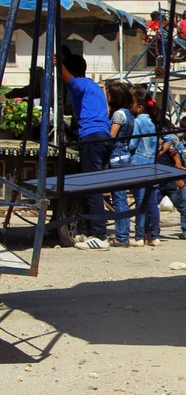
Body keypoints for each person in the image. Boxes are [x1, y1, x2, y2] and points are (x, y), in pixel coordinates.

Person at [58, 53, 112, 250]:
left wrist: (59, 66)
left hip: (92, 137)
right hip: (102, 138)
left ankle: (100, 236)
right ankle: (89, 231)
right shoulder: (93, 86)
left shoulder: (80, 83)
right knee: (90, 186)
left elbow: (73, 84)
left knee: (92, 187)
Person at [128, 87, 163, 247]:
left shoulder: (138, 121)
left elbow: (133, 143)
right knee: (152, 203)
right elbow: (167, 140)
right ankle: (154, 236)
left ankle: (139, 236)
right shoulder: (155, 121)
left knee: (140, 201)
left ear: (140, 106)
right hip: (152, 164)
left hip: (139, 163)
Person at [106, 81, 135, 247]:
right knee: (121, 198)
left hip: (116, 158)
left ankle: (121, 236)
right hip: (126, 157)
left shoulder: (118, 115)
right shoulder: (130, 114)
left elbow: (111, 137)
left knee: (119, 200)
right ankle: (123, 234)